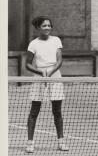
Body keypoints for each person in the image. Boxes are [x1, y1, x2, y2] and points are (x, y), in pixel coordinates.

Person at [25, 16, 69, 152]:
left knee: (57, 111)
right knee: (34, 111)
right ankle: (30, 143)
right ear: (38, 28)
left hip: (55, 75)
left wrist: (50, 73)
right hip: (39, 77)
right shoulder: (33, 44)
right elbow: (27, 64)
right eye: (44, 26)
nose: (47, 28)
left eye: (49, 25)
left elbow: (59, 60)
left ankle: (61, 142)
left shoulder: (56, 40)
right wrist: (40, 73)